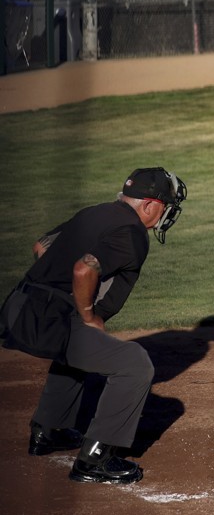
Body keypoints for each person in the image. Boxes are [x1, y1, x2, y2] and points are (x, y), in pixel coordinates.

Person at [0, 168, 187, 484]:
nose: (167, 212)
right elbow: (85, 269)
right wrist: (87, 314)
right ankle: (95, 460)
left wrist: (56, 295)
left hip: (19, 307)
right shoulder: (132, 235)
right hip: (46, 320)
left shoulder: (96, 213)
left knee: (78, 347)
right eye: (166, 205)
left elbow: (42, 246)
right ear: (151, 205)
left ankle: (50, 431)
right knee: (135, 364)